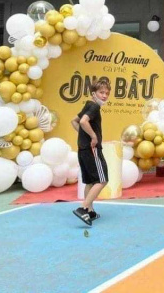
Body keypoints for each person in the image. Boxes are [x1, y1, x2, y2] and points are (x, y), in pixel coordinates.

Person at [70, 80, 110, 226]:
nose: (104, 95)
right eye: (101, 92)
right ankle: (83, 208)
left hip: (83, 149)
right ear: (94, 93)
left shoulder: (88, 105)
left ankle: (90, 211)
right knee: (102, 180)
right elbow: (83, 122)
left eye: (107, 93)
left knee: (91, 181)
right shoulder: (94, 106)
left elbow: (74, 121)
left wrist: (84, 135)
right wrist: (93, 136)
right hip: (92, 149)